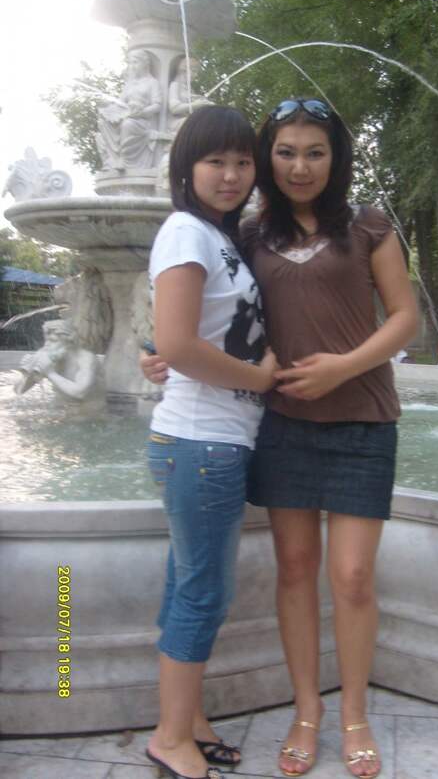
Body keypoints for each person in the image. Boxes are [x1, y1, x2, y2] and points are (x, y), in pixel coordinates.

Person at [143, 97, 417, 779]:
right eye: (286, 152)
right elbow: (207, 316)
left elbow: (405, 318)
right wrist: (162, 355)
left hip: (364, 418)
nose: (300, 166)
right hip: (281, 425)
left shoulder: (370, 225)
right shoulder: (248, 234)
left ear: (336, 158)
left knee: (352, 576)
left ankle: (354, 714)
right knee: (295, 569)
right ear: (272, 159)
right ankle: (306, 710)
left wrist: (343, 368)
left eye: (315, 152)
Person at [145, 104, 278, 779]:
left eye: (242, 162)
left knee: (189, 587)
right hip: (202, 443)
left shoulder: (214, 234)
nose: (231, 175)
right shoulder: (184, 231)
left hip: (208, 441)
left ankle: (188, 721)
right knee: (203, 594)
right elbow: (177, 344)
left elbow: (175, 339)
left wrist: (160, 356)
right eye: (215, 161)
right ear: (186, 167)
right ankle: (170, 739)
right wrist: (260, 377)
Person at [96, 49, 162, 170]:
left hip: (143, 121)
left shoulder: (152, 83)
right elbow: (120, 103)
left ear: (145, 63)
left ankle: (125, 160)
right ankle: (111, 160)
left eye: (135, 62)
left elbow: (157, 105)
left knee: (128, 124)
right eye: (130, 63)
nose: (132, 66)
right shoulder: (129, 84)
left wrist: (142, 112)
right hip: (129, 116)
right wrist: (109, 108)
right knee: (103, 122)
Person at [15, 319, 103, 404]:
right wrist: (29, 373)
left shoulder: (86, 359)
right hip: (62, 407)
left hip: (89, 410)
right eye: (46, 340)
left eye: (53, 341)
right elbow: (18, 390)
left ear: (69, 343)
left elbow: (80, 393)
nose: (46, 345)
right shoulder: (52, 357)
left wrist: (50, 373)